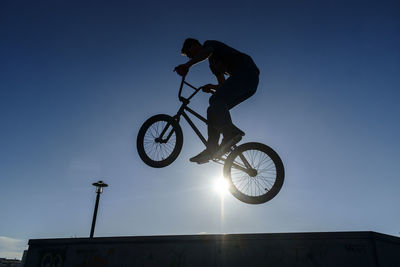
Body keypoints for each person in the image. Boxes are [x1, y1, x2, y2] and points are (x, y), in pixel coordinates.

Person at [174, 38, 260, 164]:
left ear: (194, 46)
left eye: (189, 54)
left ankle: (230, 132)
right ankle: (211, 149)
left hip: (246, 73)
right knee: (212, 109)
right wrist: (212, 87)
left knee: (215, 100)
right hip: (248, 85)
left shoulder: (209, 45)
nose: (190, 57)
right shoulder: (213, 65)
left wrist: (187, 66)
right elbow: (222, 84)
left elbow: (206, 52)